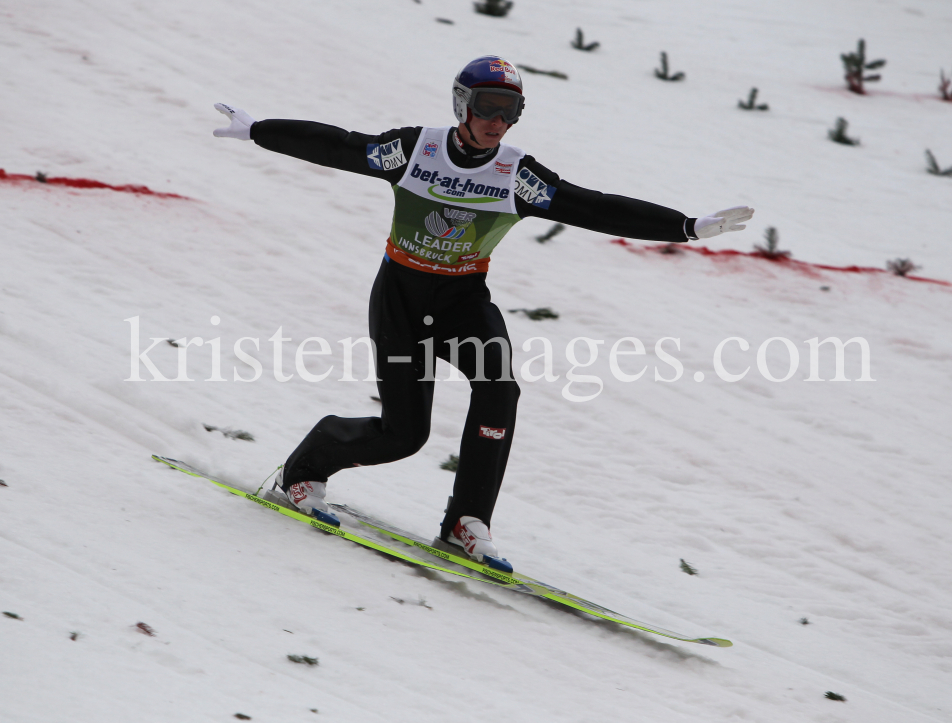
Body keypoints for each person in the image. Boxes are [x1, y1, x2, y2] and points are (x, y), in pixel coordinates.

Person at [213, 55, 753, 570]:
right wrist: (261, 129)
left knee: (499, 390)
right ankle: (304, 471)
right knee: (404, 436)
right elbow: (341, 147)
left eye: (510, 111)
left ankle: (466, 521)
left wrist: (685, 226)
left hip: (463, 302)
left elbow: (591, 207)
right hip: (401, 298)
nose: (498, 121)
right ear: (461, 105)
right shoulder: (414, 151)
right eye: (488, 106)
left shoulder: (516, 175)